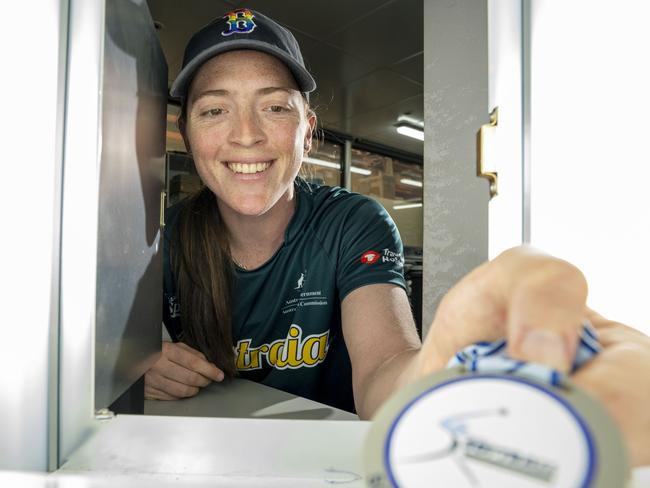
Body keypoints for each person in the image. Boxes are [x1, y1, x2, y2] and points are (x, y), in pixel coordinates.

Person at [144, 8, 650, 466]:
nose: (247, 134)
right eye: (214, 110)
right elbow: (108, 361)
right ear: (186, 132)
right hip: (204, 457)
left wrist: (450, 366)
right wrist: (136, 368)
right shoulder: (164, 237)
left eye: (275, 107)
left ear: (308, 130)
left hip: (333, 462)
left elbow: (383, 370)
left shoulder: (352, 222)